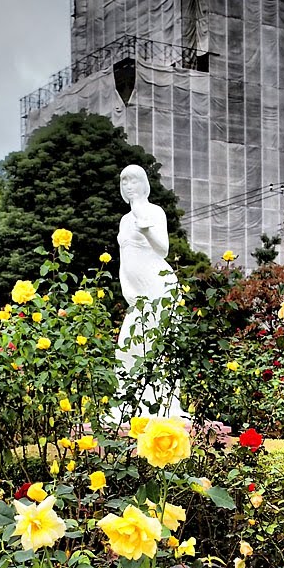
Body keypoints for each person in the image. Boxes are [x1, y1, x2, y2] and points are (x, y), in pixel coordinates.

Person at [111, 165, 187, 420]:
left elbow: (163, 249)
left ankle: (165, 405)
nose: (128, 186)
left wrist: (146, 230)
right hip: (137, 292)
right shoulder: (124, 220)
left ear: (143, 184)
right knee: (127, 347)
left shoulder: (154, 212)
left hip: (158, 286)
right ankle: (128, 404)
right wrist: (125, 287)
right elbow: (125, 258)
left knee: (159, 343)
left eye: (133, 181)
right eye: (124, 182)